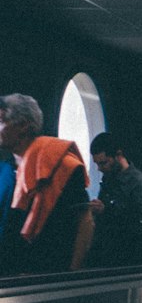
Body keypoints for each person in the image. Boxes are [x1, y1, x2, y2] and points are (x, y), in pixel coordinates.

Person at [0, 92, 93, 274]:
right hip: (7, 273)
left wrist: (73, 272)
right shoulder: (4, 170)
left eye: (1, 121)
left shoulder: (63, 166)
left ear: (23, 125)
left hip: (47, 273)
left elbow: (84, 221)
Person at [88, 132, 142, 267]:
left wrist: (107, 211)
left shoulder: (140, 184)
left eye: (104, 163)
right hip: (110, 260)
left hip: (132, 263)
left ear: (118, 155)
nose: (100, 169)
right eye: (97, 164)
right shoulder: (108, 181)